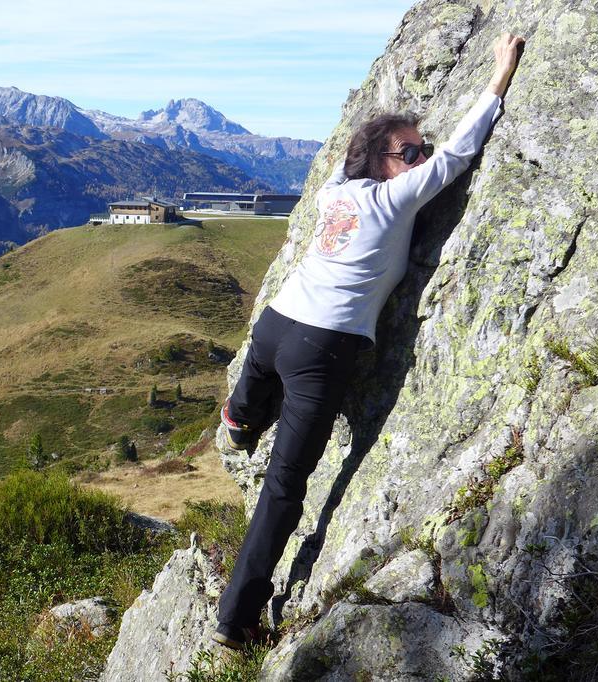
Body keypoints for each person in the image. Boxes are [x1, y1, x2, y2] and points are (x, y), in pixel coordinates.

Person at [212, 32, 525, 650]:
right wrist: (499, 74)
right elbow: (460, 153)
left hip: (275, 326)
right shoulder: (394, 198)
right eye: (411, 151)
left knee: (253, 395)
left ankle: (242, 417)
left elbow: (384, 147)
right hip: (320, 349)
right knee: (284, 486)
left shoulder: (335, 192)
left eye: (418, 151)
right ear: (383, 160)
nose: (421, 157)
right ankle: (235, 616)